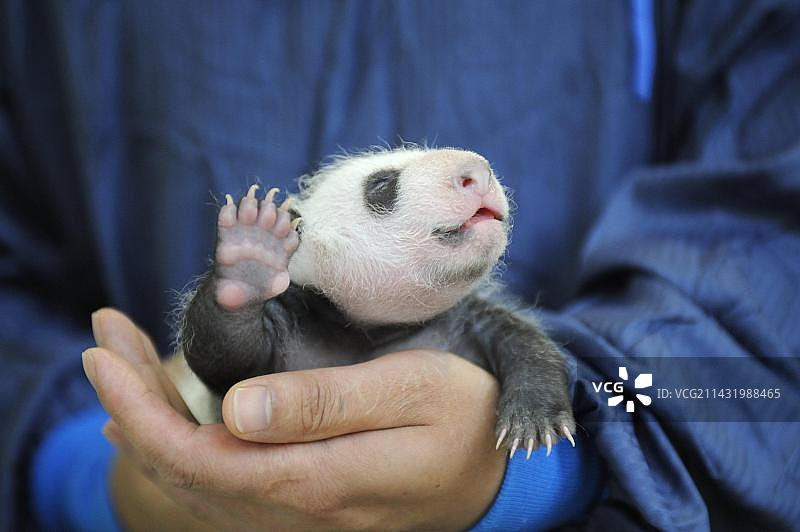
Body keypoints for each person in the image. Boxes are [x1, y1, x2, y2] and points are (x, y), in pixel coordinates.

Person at [2, 1, 799, 529]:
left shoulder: (478, 323)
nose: (475, 176)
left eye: (476, 177)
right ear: (304, 240)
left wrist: (547, 474)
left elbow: (772, 255)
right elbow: (220, 362)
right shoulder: (291, 304)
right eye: (384, 192)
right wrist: (87, 478)